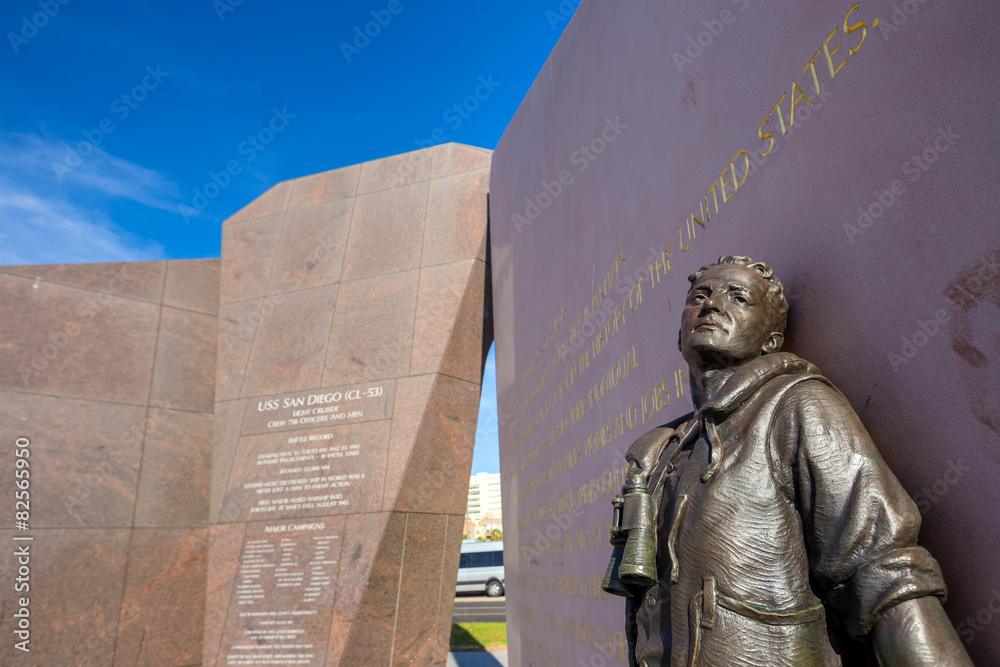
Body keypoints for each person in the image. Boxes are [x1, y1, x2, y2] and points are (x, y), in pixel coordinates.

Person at [602, 256, 972, 666]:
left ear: (771, 341)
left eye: (738, 297)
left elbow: (883, 568)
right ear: (678, 337)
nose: (711, 305)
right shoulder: (659, 451)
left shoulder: (797, 404)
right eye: (699, 297)